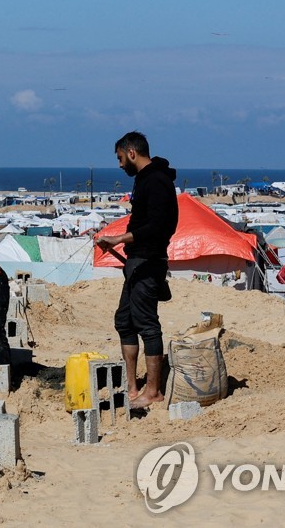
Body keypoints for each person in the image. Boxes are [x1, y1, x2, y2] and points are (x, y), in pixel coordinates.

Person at [95, 131, 178, 410]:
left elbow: (158, 226)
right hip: (137, 260)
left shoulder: (157, 181)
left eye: (120, 158)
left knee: (147, 324)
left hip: (148, 262)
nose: (119, 164)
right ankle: (132, 387)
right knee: (124, 320)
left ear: (131, 152)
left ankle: (153, 391)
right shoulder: (145, 180)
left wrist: (119, 239)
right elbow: (142, 223)